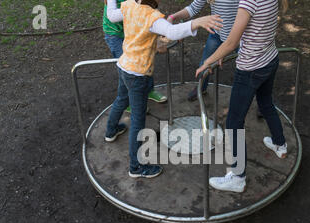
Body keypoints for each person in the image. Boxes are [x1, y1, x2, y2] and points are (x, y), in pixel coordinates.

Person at [106, 0, 223, 178]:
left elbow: (112, 15)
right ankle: (136, 167)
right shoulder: (152, 17)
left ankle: (111, 130)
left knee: (122, 99)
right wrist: (197, 22)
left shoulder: (129, 5)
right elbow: (171, 32)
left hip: (123, 66)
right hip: (138, 74)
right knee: (137, 120)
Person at [196, 0, 288, 192]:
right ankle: (280, 145)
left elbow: (231, 42)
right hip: (269, 59)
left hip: (250, 69)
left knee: (233, 123)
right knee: (266, 103)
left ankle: (238, 178)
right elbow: (251, 32)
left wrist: (208, 62)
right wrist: (222, 52)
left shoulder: (249, 2)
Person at [102, 0, 167, 115]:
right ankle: (128, 103)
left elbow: (147, 6)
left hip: (134, 26)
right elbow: (112, 16)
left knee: (145, 57)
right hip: (115, 33)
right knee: (128, 67)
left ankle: (149, 91)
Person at [167, 0, 240, 102]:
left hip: (240, 37)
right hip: (217, 33)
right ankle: (201, 88)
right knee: (204, 65)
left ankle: (261, 102)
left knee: (248, 71)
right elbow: (193, 8)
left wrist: (225, 49)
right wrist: (173, 17)